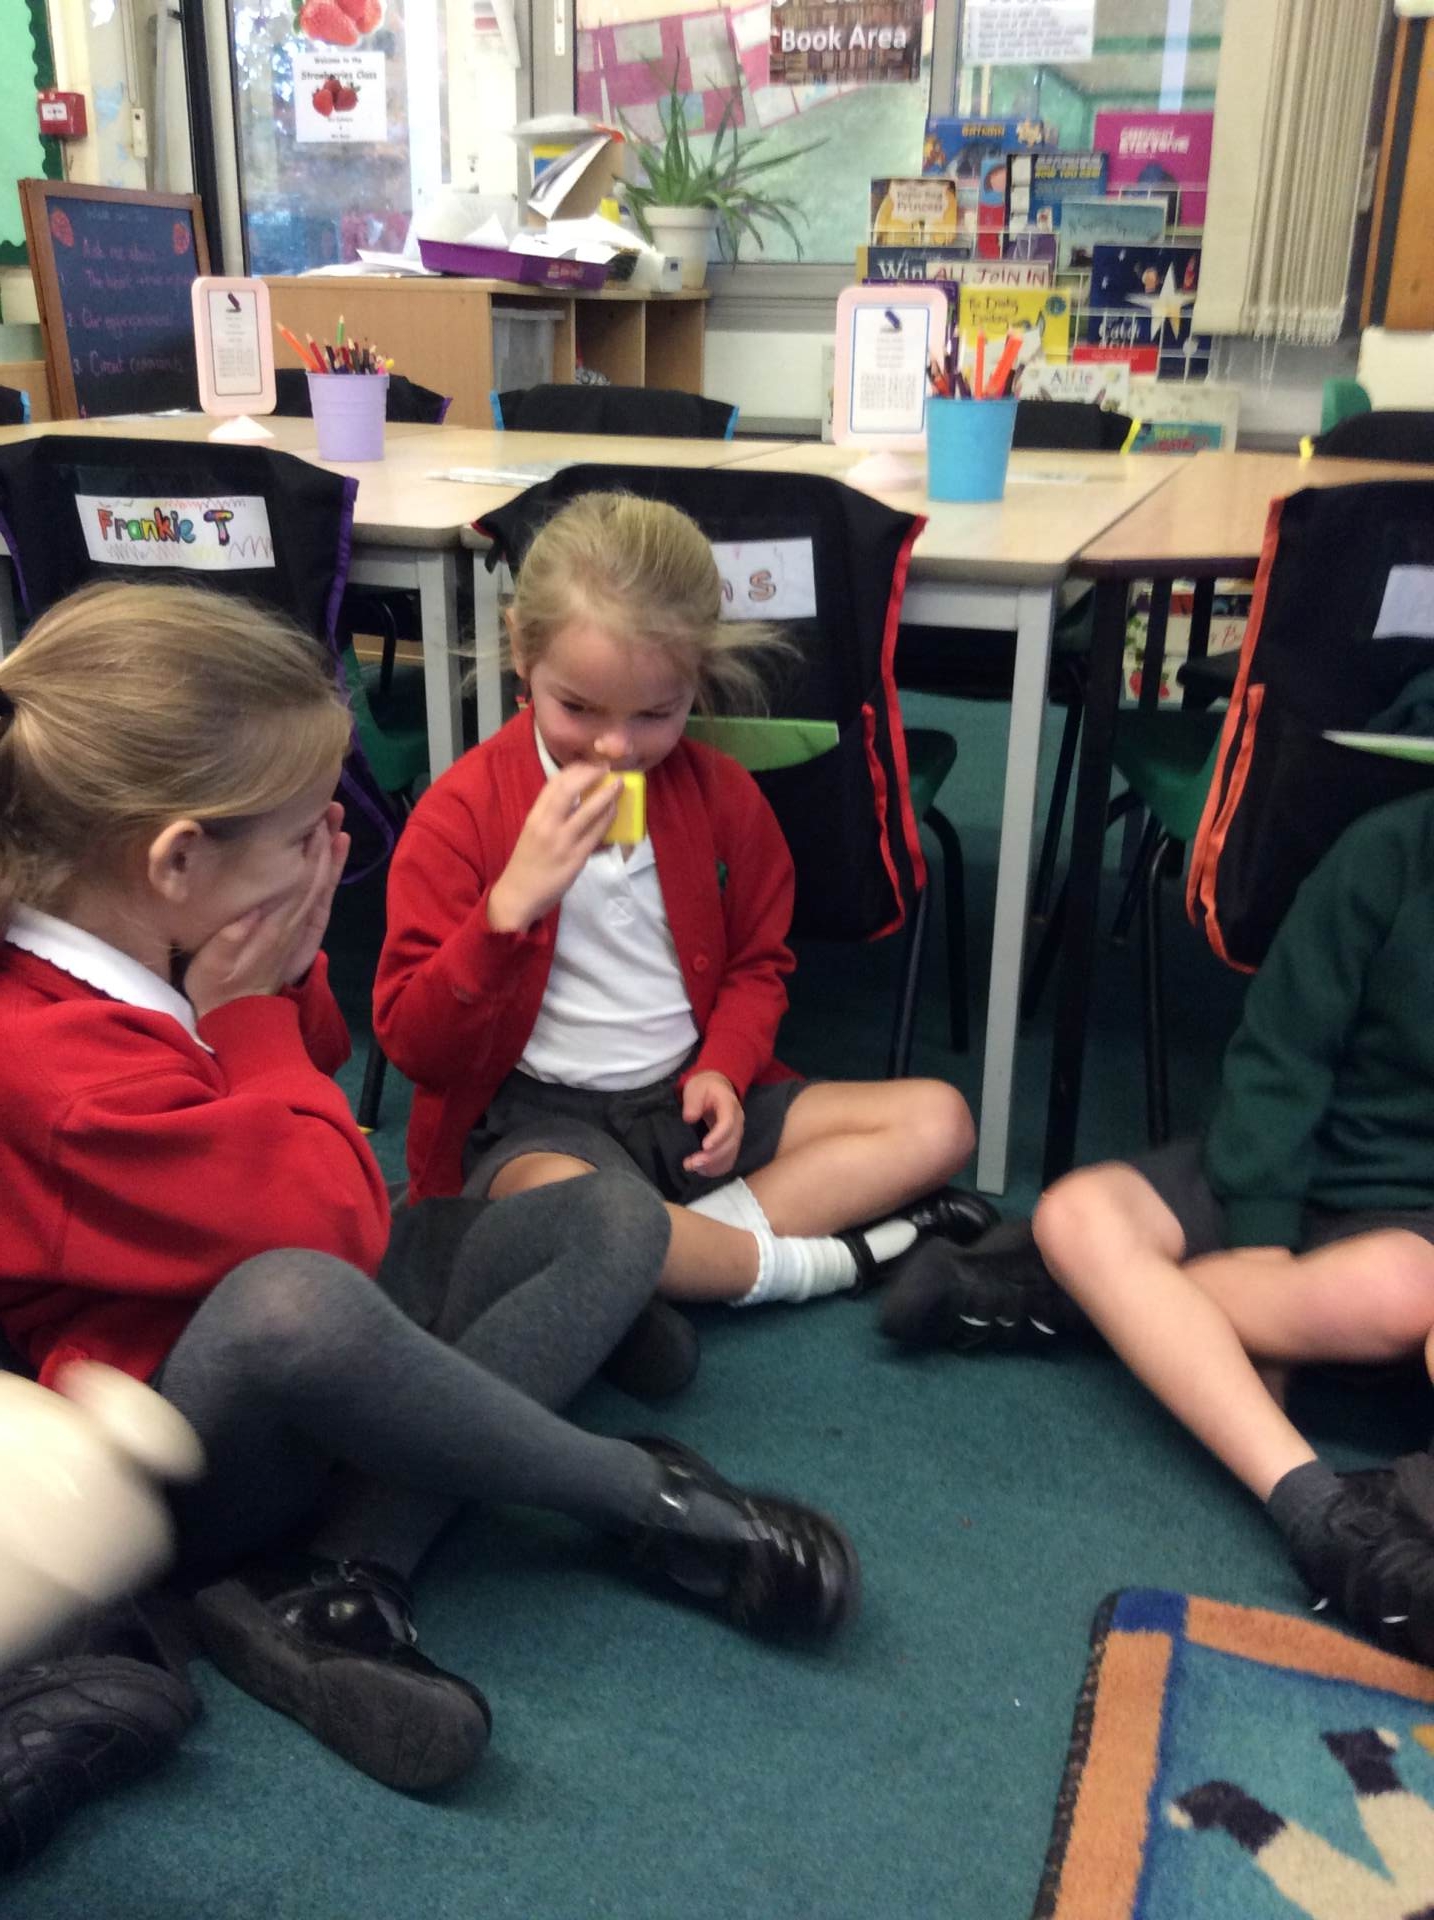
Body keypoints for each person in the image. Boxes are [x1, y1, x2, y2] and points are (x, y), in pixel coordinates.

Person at [0, 580, 860, 1801]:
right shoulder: (51, 1066)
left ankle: (345, 1570)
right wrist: (247, 1013)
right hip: (192, 1452)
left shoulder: (143, 936)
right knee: (297, 1301)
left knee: (609, 1213)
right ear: (177, 859)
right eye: (304, 836)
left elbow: (318, 1065)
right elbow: (331, 1226)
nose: (330, 855)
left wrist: (274, 986)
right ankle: (633, 1498)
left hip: (301, 1298)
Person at [374, 491, 990, 1319]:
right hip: (540, 1125)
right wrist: (503, 914)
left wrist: (723, 1070)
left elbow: (758, 966)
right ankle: (817, 1262)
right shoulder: (460, 814)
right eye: (577, 708)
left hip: (684, 1102)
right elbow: (414, 1046)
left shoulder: (725, 798)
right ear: (521, 649)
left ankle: (662, 1265)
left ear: (696, 678)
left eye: (656, 714)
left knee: (941, 1121)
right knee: (578, 1206)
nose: (615, 748)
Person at [880, 790, 1434, 1662]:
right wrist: (1261, 1246)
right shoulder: (1385, 853)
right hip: (1275, 1167)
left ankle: (1081, 1303)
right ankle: (1320, 1508)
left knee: (1403, 1294)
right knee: (1076, 1210)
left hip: (1410, 1228)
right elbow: (1280, 1057)